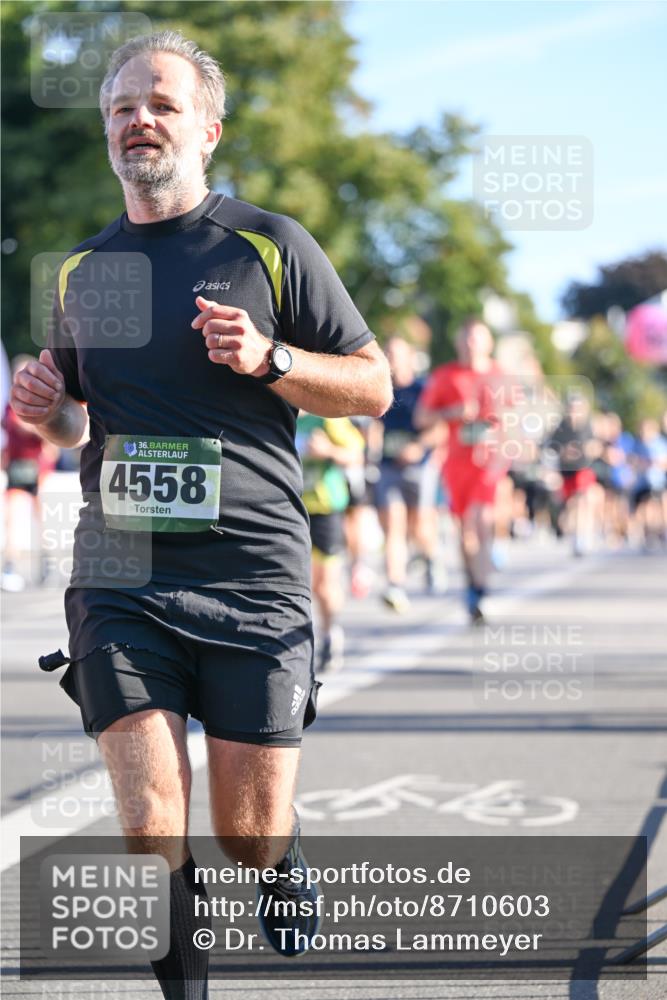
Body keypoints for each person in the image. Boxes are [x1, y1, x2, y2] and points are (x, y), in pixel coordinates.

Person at [10, 31, 392, 999]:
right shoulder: (79, 273)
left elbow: (375, 385)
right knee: (150, 823)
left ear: (208, 129)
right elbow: (68, 426)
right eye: (121, 106)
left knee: (247, 831)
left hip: (251, 574)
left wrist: (271, 360)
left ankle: (280, 855)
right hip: (123, 572)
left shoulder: (269, 245)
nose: (139, 119)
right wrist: (44, 405)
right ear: (106, 130)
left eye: (162, 104)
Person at [415, 318, 510, 623]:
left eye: (477, 338)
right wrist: (452, 413)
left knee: (480, 521)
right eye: (467, 338)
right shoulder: (445, 376)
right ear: (459, 343)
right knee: (465, 532)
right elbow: (422, 418)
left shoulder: (501, 376)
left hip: (490, 462)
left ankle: (482, 590)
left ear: (489, 343)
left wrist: (501, 433)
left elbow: (519, 419)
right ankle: (472, 585)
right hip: (456, 464)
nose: (472, 344)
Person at [374, 336, 441, 612]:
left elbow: (440, 430)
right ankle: (395, 586)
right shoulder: (380, 390)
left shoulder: (423, 389)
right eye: (388, 352)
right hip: (388, 466)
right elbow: (374, 426)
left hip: (419, 467)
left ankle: (430, 556)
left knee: (420, 527)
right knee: (394, 526)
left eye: (397, 353)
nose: (392, 358)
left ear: (411, 358)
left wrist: (418, 447)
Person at [296, 412, 365, 671]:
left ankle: (330, 634)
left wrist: (328, 450)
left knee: (323, 584)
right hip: (289, 509)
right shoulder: (277, 412)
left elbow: (356, 454)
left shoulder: (325, 418)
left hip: (325, 508)